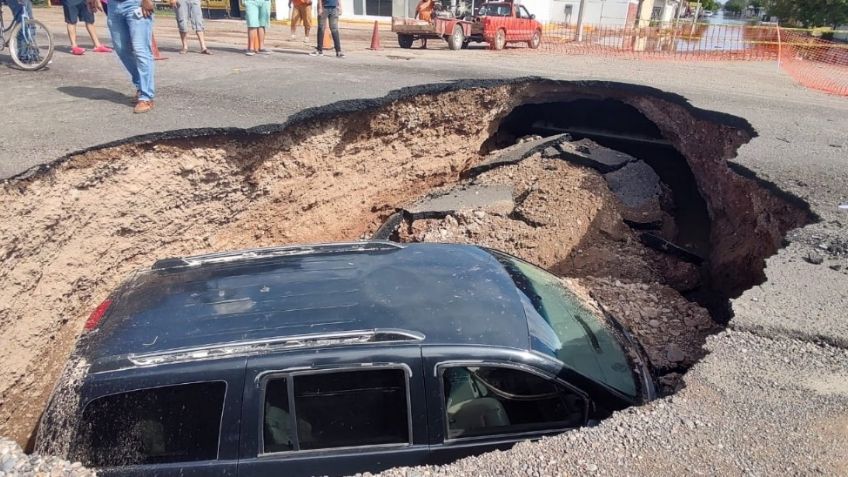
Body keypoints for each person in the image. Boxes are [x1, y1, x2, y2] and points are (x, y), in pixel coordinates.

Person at [88, 0, 155, 113]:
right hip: (113, 6)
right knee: (121, 49)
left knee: (141, 50)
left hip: (136, 4)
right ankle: (140, 85)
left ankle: (146, 96)